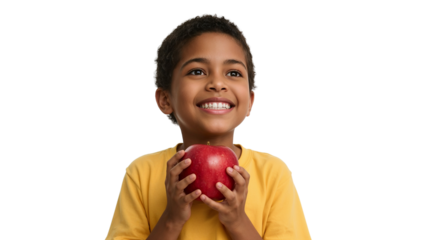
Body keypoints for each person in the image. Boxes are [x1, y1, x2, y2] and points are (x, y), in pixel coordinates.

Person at [104, 12, 313, 240]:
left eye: (233, 73)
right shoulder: (140, 173)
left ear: (251, 101)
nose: (217, 84)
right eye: (197, 71)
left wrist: (238, 222)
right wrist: (172, 218)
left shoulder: (274, 173)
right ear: (165, 99)